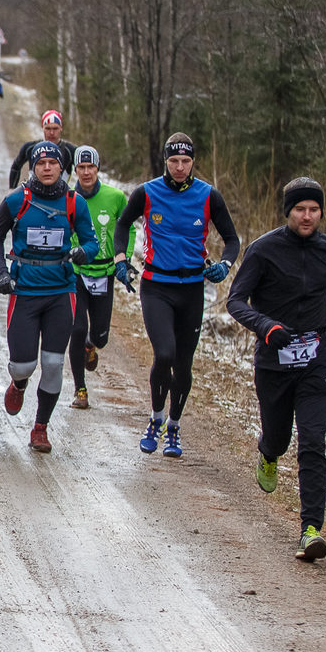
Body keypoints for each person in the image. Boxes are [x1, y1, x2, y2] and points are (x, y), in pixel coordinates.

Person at [227, 177, 326, 561]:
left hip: (316, 356)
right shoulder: (264, 250)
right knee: (280, 438)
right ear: (288, 212)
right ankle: (268, 450)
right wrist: (267, 328)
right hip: (274, 360)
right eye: (300, 209)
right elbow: (236, 301)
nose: (307, 216)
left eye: (314, 209)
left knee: (313, 441)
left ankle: (311, 530)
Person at [112, 132, 241, 458]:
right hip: (157, 286)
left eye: (186, 161)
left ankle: (173, 426)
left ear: (193, 161)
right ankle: (155, 418)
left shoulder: (209, 195)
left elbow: (232, 239)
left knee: (184, 364)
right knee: (165, 354)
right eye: (174, 161)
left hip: (192, 289)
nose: (180, 167)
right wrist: (120, 261)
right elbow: (122, 224)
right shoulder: (147, 192)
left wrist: (225, 265)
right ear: (165, 162)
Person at [0, 141, 97, 452]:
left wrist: (81, 252)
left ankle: (40, 428)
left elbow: (91, 244)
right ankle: (19, 384)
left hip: (61, 292)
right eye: (41, 163)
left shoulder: (75, 203)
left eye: (53, 163)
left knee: (52, 363)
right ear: (32, 167)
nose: (47, 168)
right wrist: (2, 274)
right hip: (24, 292)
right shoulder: (16, 201)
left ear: (62, 167)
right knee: (23, 365)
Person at [66, 146, 130, 410]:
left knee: (100, 336)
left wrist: (122, 257)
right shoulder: (67, 197)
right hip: (77, 274)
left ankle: (92, 346)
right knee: (77, 329)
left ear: (97, 168)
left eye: (90, 167)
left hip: (105, 272)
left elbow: (128, 228)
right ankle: (80, 389)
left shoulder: (115, 197)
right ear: (75, 171)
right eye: (81, 168)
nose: (86, 172)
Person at [9, 110, 79, 185]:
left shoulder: (70, 150)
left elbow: (84, 169)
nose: (52, 133)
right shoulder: (30, 147)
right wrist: (12, 188)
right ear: (42, 127)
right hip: (34, 194)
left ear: (61, 128)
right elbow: (16, 166)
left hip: (61, 194)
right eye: (48, 128)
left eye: (55, 129)